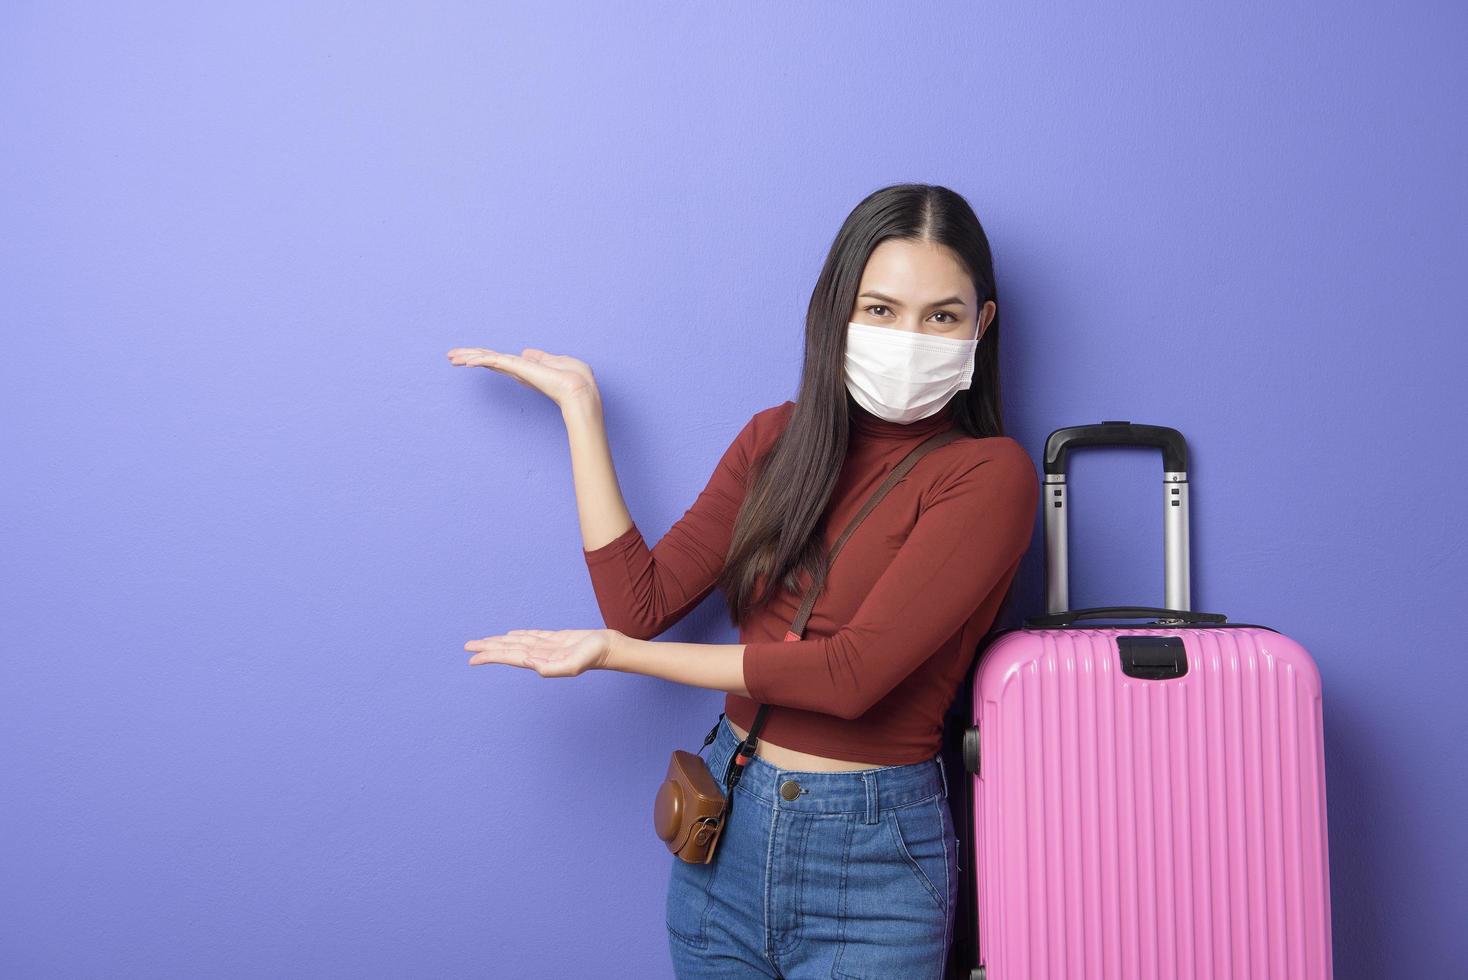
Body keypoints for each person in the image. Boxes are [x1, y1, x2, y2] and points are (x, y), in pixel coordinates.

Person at [449, 183, 1038, 979]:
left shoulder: (988, 475)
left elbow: (850, 676)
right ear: (837, 314)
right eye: (881, 309)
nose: (910, 336)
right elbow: (641, 603)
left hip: (871, 868)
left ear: (981, 326)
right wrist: (581, 412)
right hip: (726, 835)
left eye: (941, 316)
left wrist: (613, 655)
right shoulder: (777, 440)